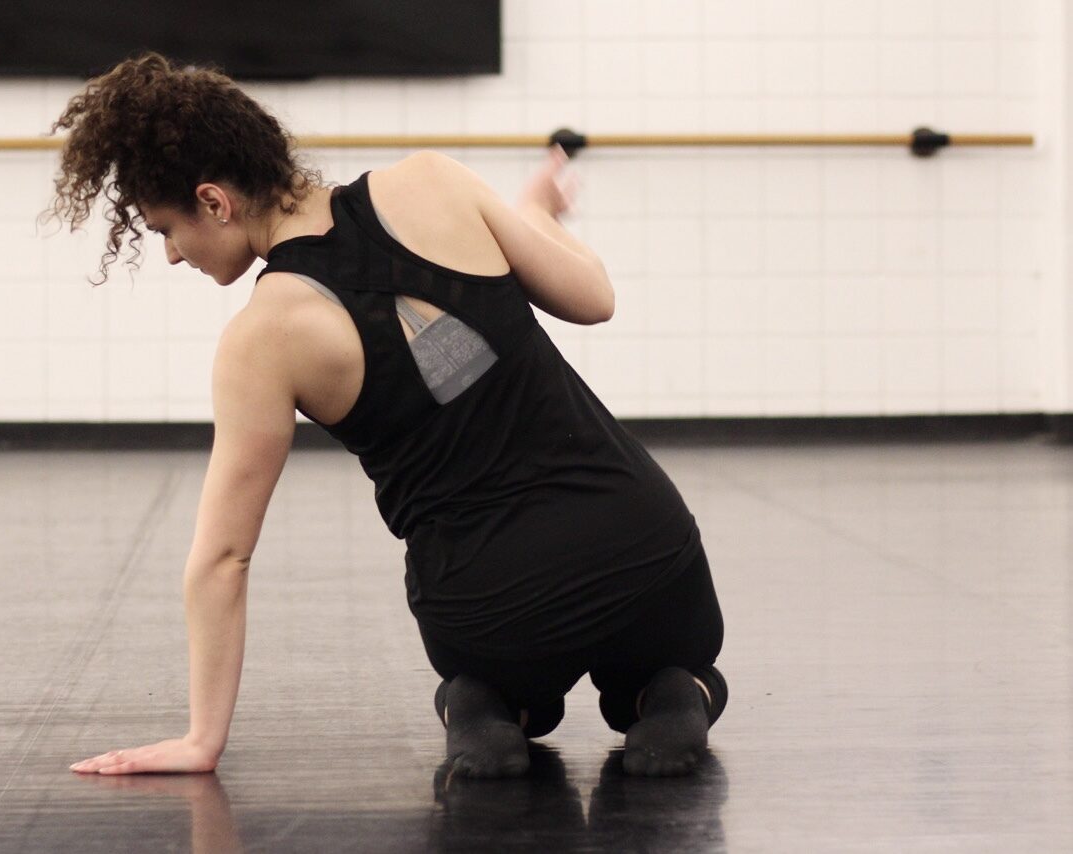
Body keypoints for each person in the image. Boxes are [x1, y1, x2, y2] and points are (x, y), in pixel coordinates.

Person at [50, 53, 727, 779]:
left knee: (492, 676)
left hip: (495, 609)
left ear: (215, 201)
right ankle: (672, 692)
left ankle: (488, 711)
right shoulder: (431, 181)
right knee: (672, 653)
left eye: (163, 231)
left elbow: (223, 558)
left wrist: (200, 740)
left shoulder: (262, 338)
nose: (173, 256)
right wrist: (532, 213)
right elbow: (595, 298)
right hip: (648, 551)